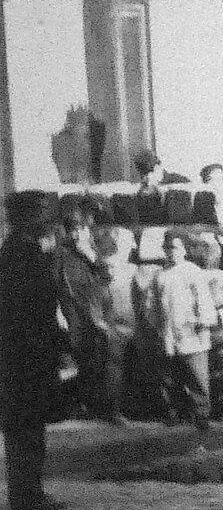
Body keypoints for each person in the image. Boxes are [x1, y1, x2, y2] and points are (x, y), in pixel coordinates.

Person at [0, 191, 70, 510]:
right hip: (26, 355)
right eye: (41, 213)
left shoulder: (18, 251)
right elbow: (33, 309)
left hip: (24, 353)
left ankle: (28, 493)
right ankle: (27, 496)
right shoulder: (22, 254)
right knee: (26, 428)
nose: (47, 219)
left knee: (26, 428)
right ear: (27, 217)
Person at [56, 195, 127, 426]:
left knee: (107, 360)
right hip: (74, 316)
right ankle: (88, 407)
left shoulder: (95, 250)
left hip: (99, 314)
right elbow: (55, 285)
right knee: (84, 361)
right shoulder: (61, 254)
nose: (77, 234)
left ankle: (111, 410)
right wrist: (59, 313)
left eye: (80, 229)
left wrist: (91, 256)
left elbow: (108, 276)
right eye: (73, 230)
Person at [150, 228, 220, 430]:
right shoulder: (160, 275)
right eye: (167, 248)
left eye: (175, 248)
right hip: (169, 332)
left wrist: (202, 323)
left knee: (197, 376)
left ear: (184, 250)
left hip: (192, 331)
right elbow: (153, 305)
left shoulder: (192, 272)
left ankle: (202, 414)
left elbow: (203, 300)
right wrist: (157, 327)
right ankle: (174, 412)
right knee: (170, 376)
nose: (171, 252)